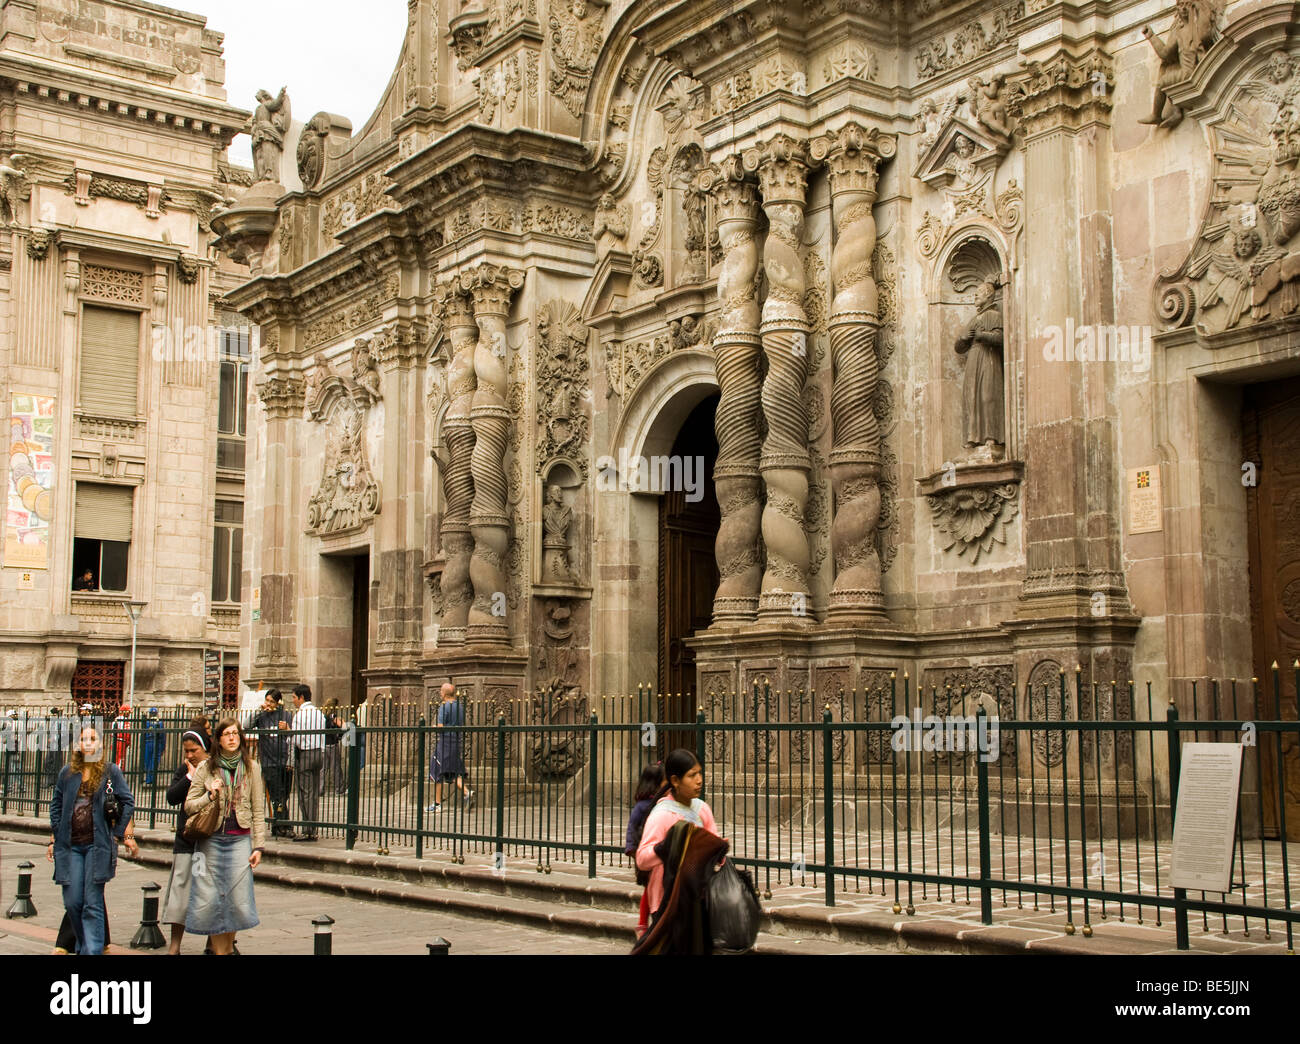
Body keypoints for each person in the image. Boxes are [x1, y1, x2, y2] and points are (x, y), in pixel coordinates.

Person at [47, 724, 139, 955]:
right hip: (71, 847)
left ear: (100, 744)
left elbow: (127, 801)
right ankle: (83, 944)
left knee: (92, 902)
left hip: (96, 847)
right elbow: (56, 804)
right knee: (72, 902)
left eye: (93, 739)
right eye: (84, 739)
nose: (88, 743)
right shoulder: (67, 773)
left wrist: (119, 833)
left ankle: (91, 950)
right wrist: (57, 832)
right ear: (78, 744)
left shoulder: (110, 772)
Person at [184, 717, 267, 954]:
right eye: (227, 734)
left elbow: (258, 809)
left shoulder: (252, 767)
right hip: (210, 839)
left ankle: (227, 949)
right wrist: (210, 796)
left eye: (235, 734)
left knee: (237, 900)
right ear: (218, 740)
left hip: (239, 838)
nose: (232, 738)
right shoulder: (206, 767)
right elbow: (189, 806)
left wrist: (258, 846)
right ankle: (220, 952)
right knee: (210, 899)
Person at [632, 748, 726, 955]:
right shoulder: (662, 815)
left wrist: (719, 851)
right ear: (675, 780)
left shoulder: (702, 809)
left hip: (698, 898)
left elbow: (712, 845)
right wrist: (664, 848)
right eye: (692, 775)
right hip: (669, 901)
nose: (699, 780)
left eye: (700, 773)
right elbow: (642, 859)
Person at [162, 721, 211, 954]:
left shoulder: (215, 768)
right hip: (186, 838)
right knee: (180, 892)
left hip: (211, 840)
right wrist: (189, 777)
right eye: (187, 751)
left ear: (205, 748)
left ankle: (213, 944)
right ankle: (175, 945)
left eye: (195, 751)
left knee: (210, 892)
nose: (190, 755)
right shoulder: (185, 770)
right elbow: (171, 797)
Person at [625, 762, 665, 937]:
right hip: (645, 852)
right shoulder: (642, 806)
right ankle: (642, 925)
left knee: (655, 887)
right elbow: (632, 828)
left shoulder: (662, 803)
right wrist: (632, 849)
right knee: (650, 888)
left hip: (659, 852)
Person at [250, 689, 293, 838]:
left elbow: (293, 736)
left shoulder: (286, 716)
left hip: (284, 761)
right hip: (269, 762)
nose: (268, 704)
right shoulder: (261, 716)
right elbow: (246, 724)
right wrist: (258, 710)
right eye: (267, 700)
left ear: (278, 703)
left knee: (284, 795)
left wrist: (287, 729)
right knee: (278, 795)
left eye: (272, 702)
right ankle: (284, 825)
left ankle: (277, 824)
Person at [427, 683, 472, 813]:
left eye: (441, 691)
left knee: (437, 770)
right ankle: (467, 792)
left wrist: (435, 728)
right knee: (454, 770)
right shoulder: (460, 706)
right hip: (457, 741)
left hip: (445, 742)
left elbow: (441, 726)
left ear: (445, 693)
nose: (440, 693)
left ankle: (437, 803)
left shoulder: (444, 706)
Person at [289, 684, 325, 841]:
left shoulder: (300, 715)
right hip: (319, 753)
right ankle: (313, 826)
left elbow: (296, 738)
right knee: (314, 792)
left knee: (305, 793)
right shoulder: (318, 713)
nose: (294, 701)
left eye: (294, 698)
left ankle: (308, 829)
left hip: (306, 753)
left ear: (301, 697)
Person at [321, 699, 345, 795]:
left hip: (323, 744)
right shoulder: (332, 717)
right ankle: (339, 788)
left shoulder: (322, 716)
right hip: (332, 744)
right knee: (335, 768)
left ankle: (320, 789)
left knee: (322, 769)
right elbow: (343, 727)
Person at [142, 707, 166, 785]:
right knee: (154, 761)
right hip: (157, 743)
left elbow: (143, 735)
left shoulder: (147, 723)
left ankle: (149, 779)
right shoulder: (160, 723)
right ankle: (152, 778)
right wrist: (163, 747)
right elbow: (163, 736)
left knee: (148, 761)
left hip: (148, 742)